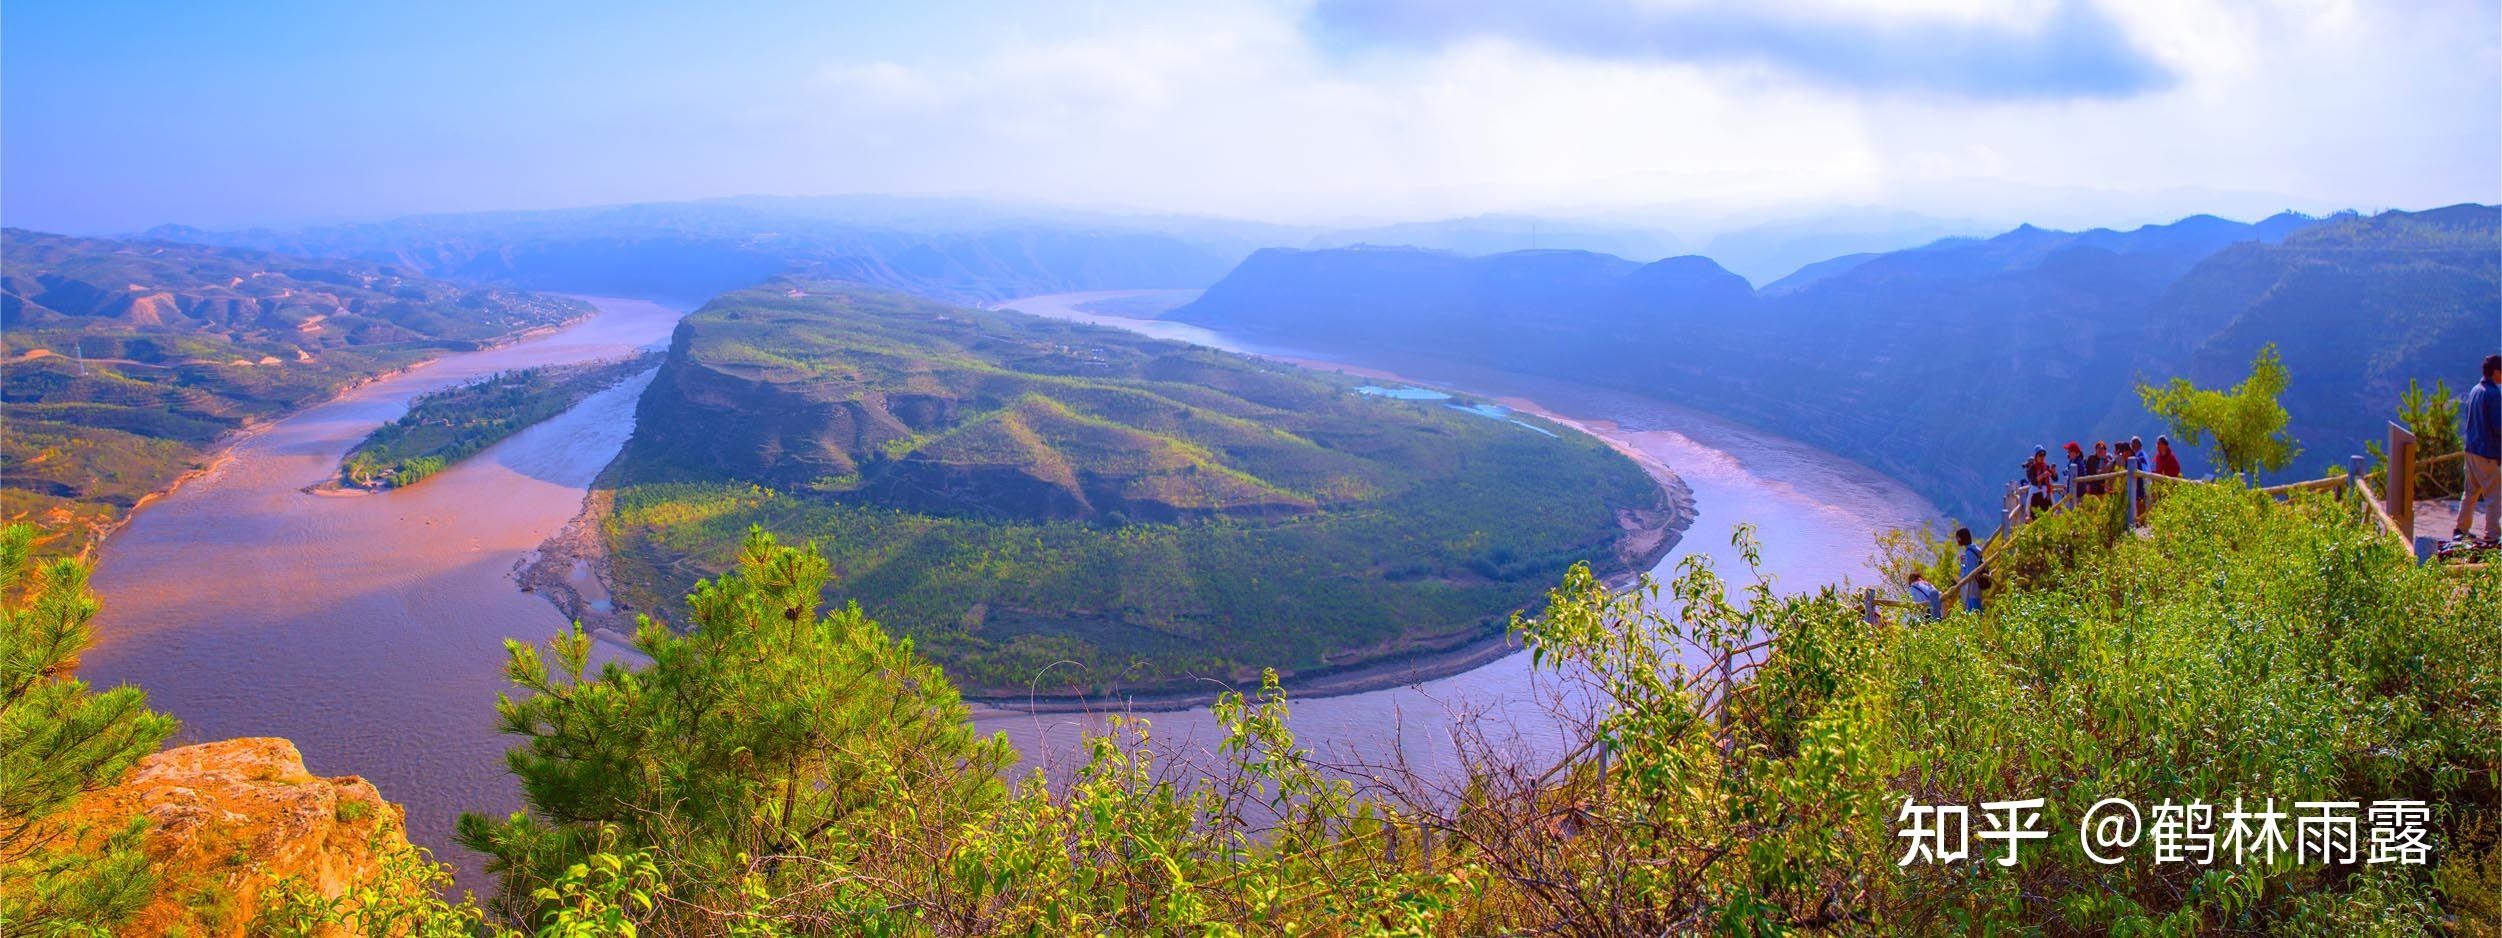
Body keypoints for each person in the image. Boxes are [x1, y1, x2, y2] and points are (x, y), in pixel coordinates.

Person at [2459, 353, 2502, 544]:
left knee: (2470, 492)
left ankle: (2460, 529)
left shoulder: (2475, 390)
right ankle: (2492, 536)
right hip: (2487, 453)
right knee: (2493, 496)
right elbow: (2498, 426)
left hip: (2471, 450)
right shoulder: (2493, 394)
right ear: (2495, 372)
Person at [1956, 527, 1984, 612]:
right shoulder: (1975, 549)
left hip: (1972, 589)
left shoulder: (1969, 552)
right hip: (1977, 586)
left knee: (1975, 613)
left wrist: (1962, 564)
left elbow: (1970, 573)